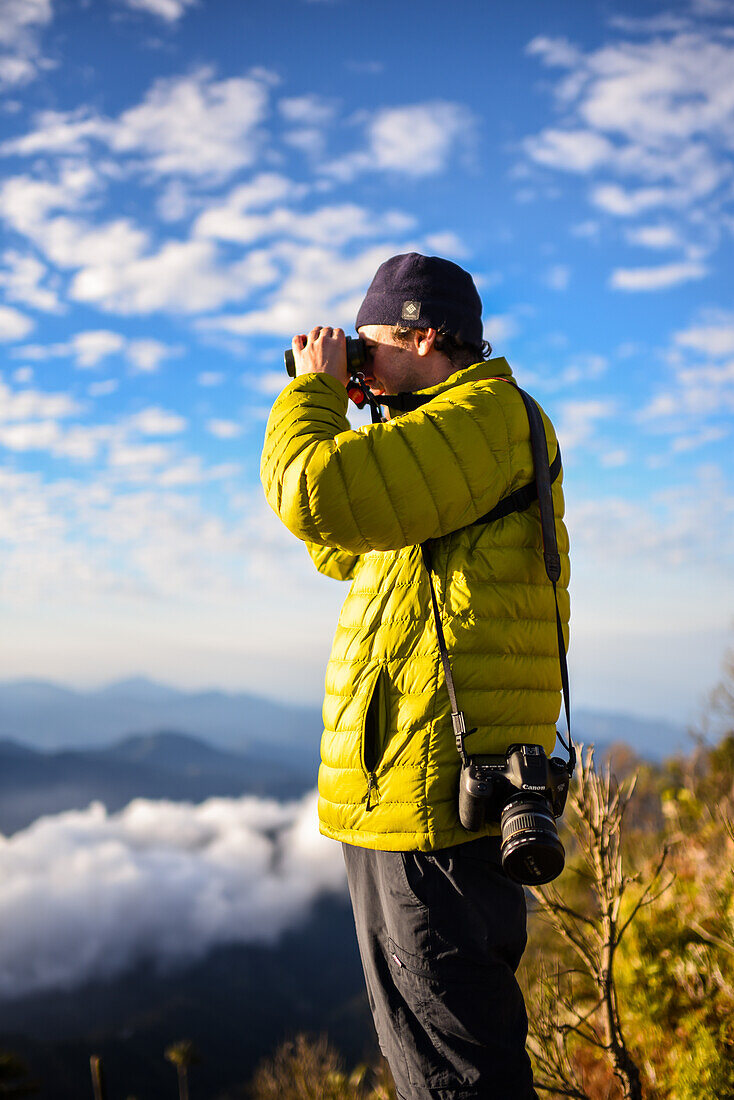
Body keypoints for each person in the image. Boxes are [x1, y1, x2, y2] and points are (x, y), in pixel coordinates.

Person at [260, 253, 570, 1099]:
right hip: (409, 785)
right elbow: (339, 545)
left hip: (438, 797)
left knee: (453, 1068)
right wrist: (364, 406)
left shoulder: (487, 416)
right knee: (427, 1053)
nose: (355, 363)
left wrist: (314, 396)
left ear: (424, 335)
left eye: (369, 347)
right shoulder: (446, 436)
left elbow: (314, 494)